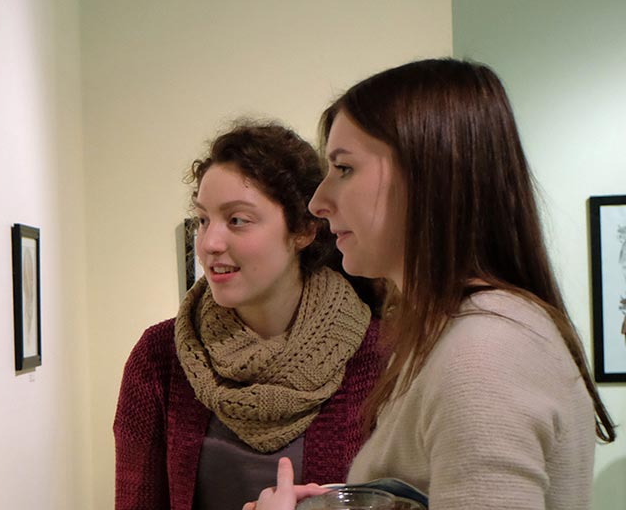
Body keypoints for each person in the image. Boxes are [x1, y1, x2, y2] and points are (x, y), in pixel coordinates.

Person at [247, 58, 617, 510]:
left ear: (426, 173)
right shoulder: (448, 336)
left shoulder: (486, 350)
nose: (319, 201)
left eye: (344, 169)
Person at [114, 121, 386, 510]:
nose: (209, 243)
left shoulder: (381, 357)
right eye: (204, 219)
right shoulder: (160, 357)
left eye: (237, 220)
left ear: (304, 230)